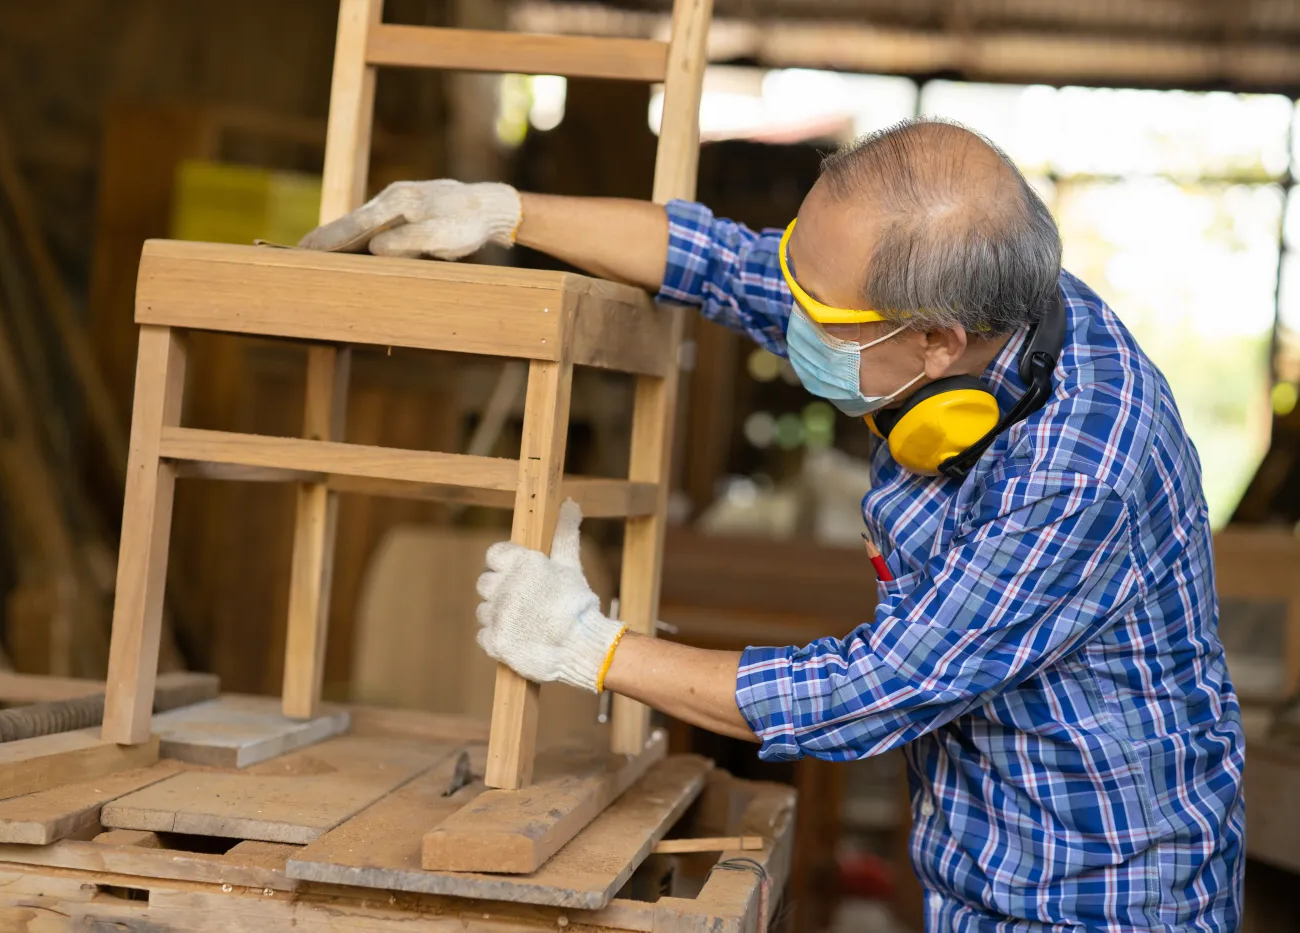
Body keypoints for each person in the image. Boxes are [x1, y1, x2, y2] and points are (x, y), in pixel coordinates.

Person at [300, 118, 1244, 932]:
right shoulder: (968, 314)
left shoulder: (1079, 470)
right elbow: (724, 261)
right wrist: (506, 211)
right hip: (978, 863)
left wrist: (588, 645)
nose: (790, 316)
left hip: (1105, 892)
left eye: (820, 316)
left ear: (938, 342)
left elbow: (874, 689)